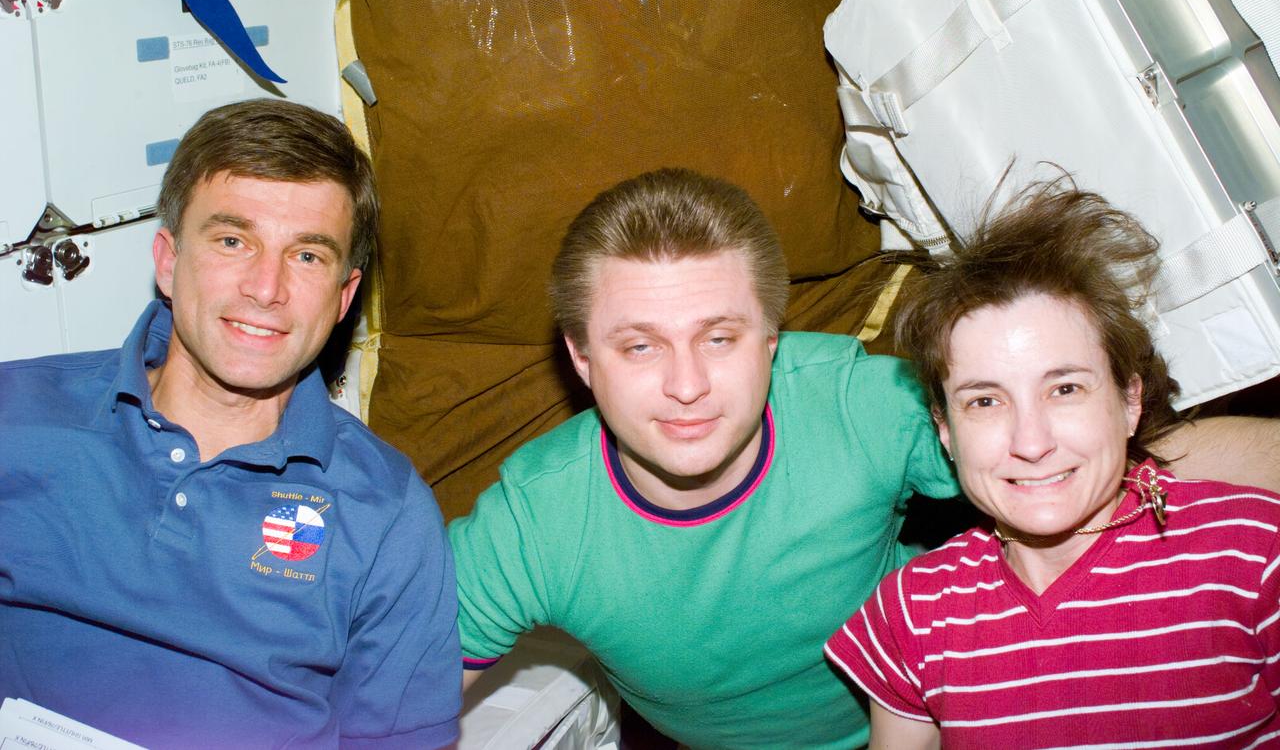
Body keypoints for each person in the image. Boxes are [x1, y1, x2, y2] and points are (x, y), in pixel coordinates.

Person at [450, 168, 1278, 749]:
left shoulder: (856, 402)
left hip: (953, 711)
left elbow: (1070, 449)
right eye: (639, 346)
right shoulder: (533, 520)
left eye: (720, 336)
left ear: (772, 341)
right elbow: (402, 701)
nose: (688, 385)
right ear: (582, 357)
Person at [0, 100, 461, 747]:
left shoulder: (384, 511)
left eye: (306, 256)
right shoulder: (16, 418)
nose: (265, 286)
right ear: (167, 260)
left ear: (343, 297)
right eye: (232, 240)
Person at [825, 184, 1280, 747]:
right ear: (944, 429)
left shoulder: (1256, 551)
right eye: (985, 401)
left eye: (1064, 388)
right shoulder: (914, 609)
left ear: (1130, 400)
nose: (1031, 442)